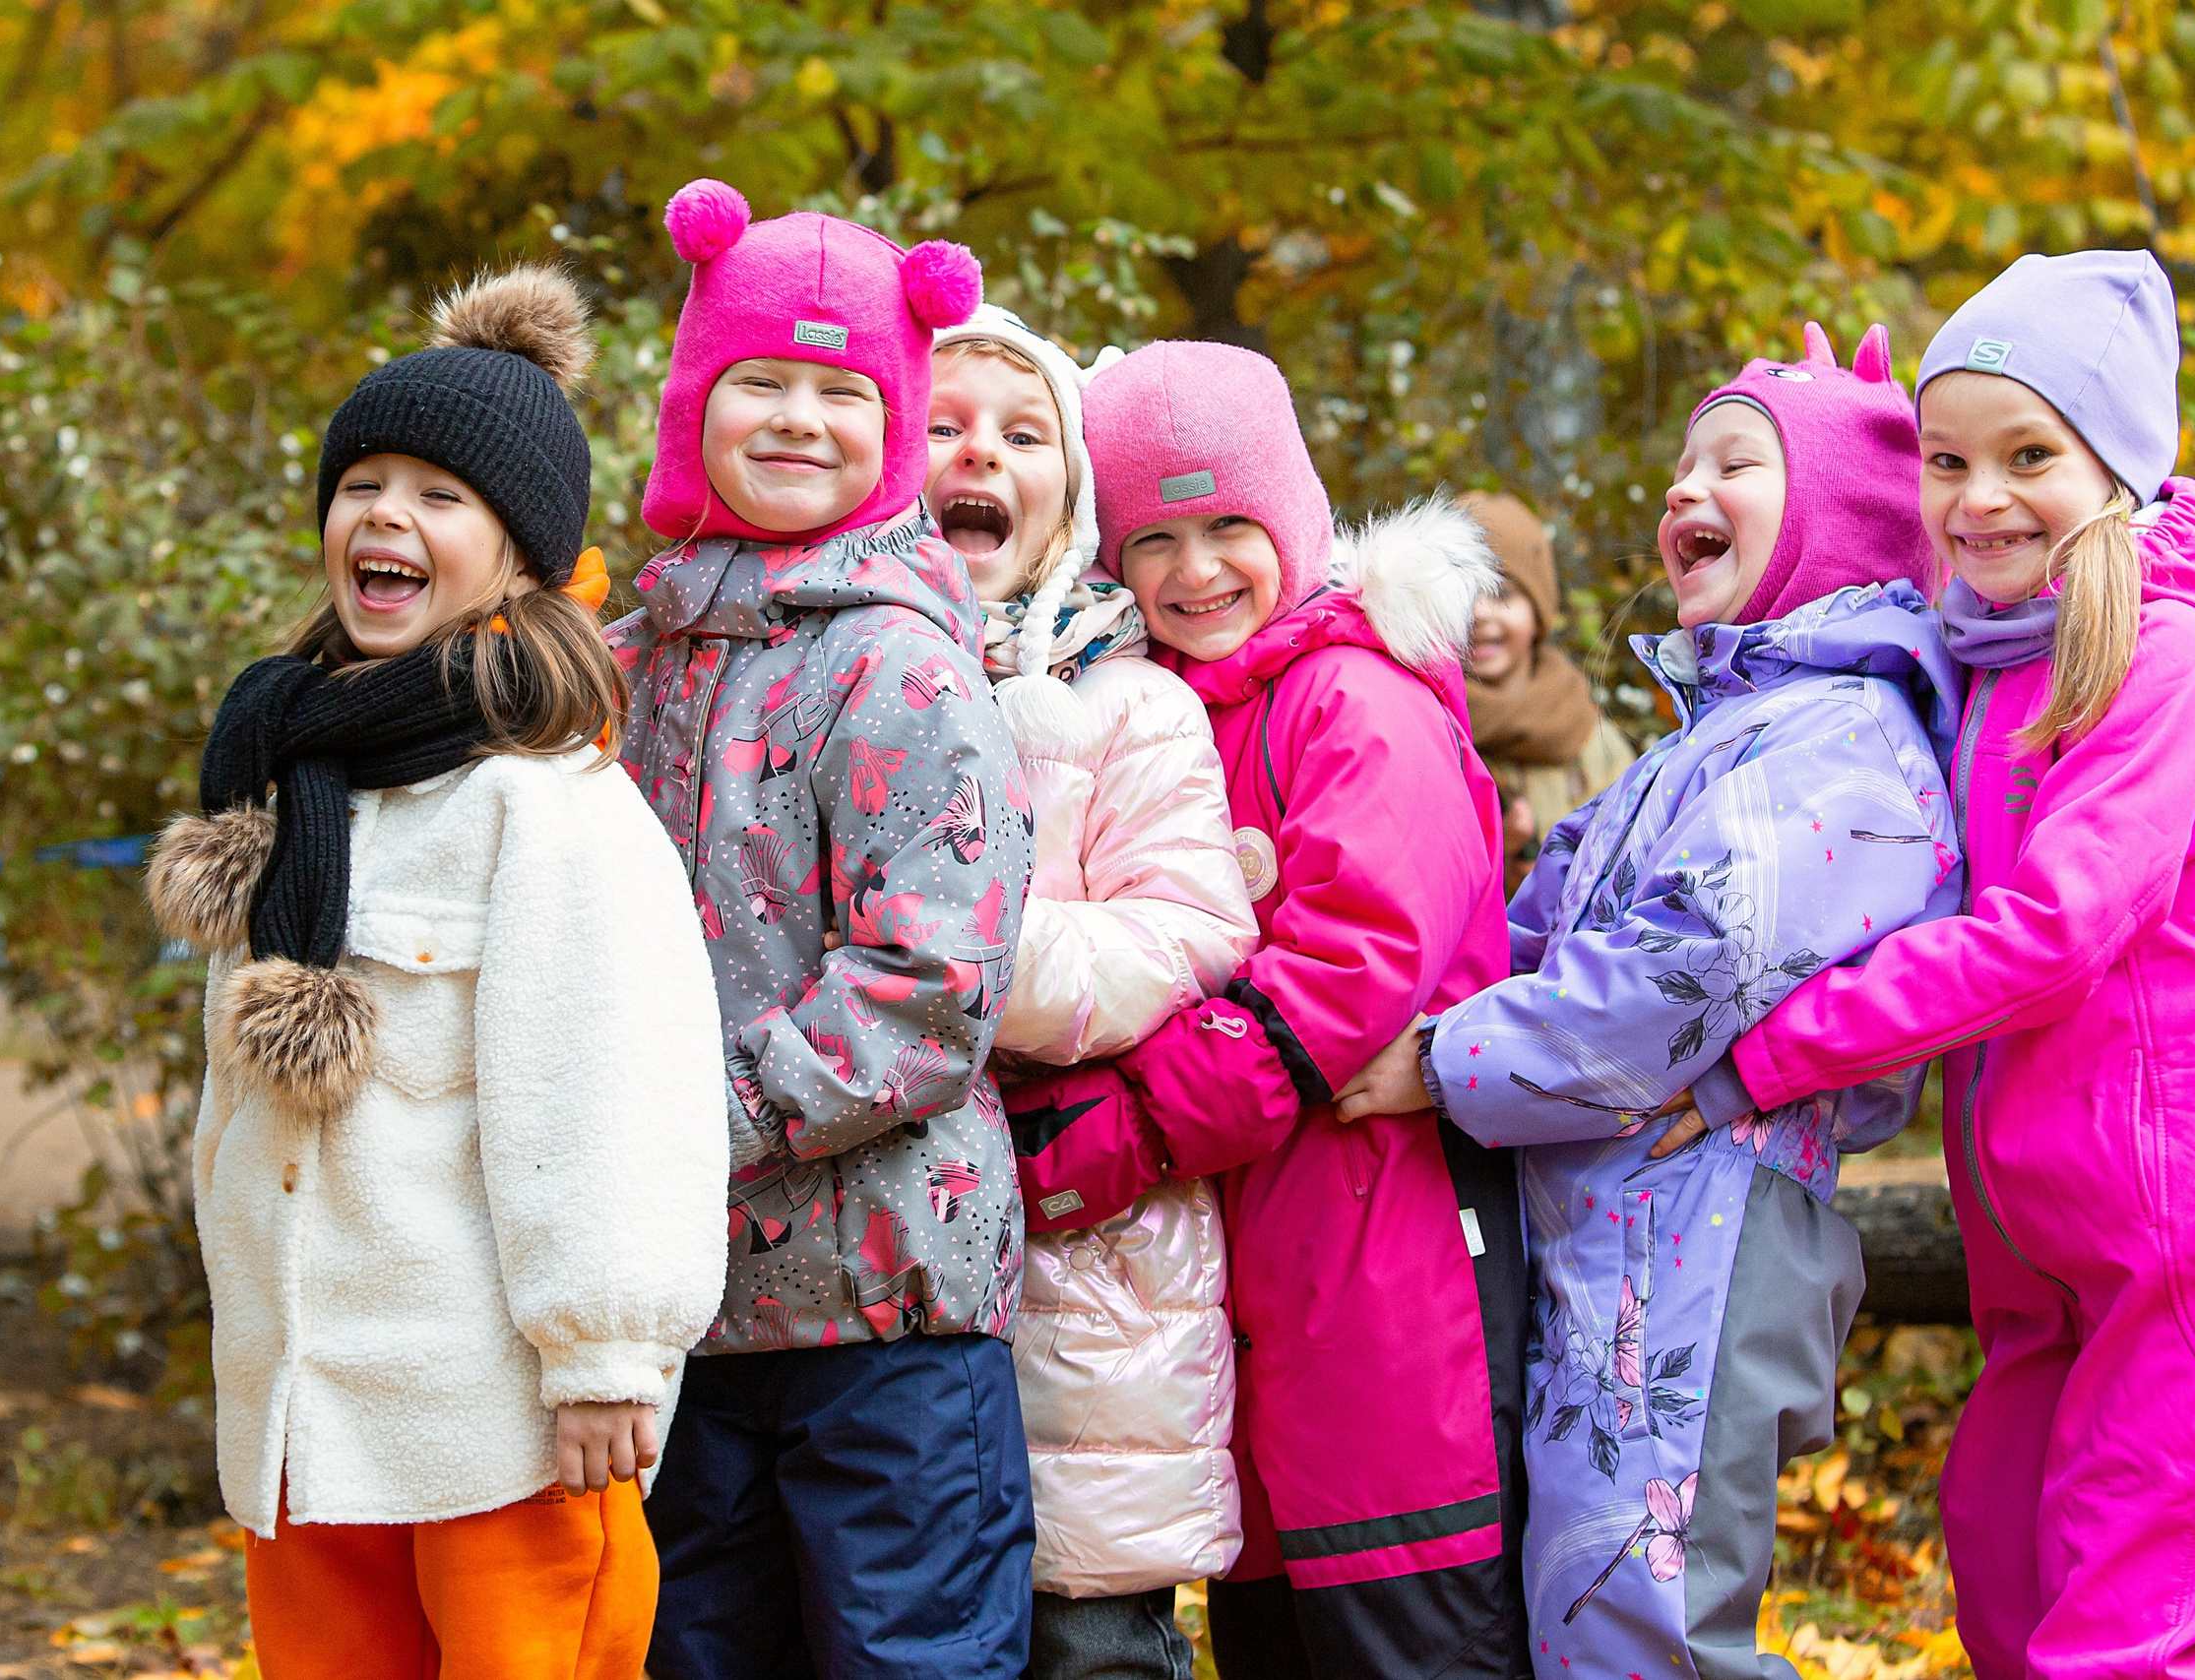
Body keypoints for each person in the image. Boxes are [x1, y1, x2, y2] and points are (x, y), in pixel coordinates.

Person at [1726, 252, 2195, 1679]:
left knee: (2123, 1614)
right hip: (2036, 1229)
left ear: (2116, 466)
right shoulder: (1997, 643)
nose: (1978, 494)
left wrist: (1773, 1044)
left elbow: (2053, 933)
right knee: (2003, 1569)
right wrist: (1847, 454)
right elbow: (1910, 577)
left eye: (2028, 454)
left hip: (2194, 1207)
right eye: (1947, 460)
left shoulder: (2164, 658)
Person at [1340, 323, 1960, 1680]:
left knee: (1648, 1603)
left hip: (1713, 1229)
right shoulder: (1716, 739)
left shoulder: (1841, 736)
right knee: (1591, 1588)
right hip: (1630, 1223)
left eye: (1734, 461)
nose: (1683, 489)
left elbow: (1683, 974)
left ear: (1843, 527)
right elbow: (1545, 923)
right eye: (1682, 463)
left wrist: (1441, 1057)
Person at [147, 267, 728, 1679]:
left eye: (440, 495)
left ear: (523, 556)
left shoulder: (547, 808)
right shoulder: (303, 772)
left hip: (498, 1420)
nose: (387, 516)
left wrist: (606, 1352)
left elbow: (614, 1096)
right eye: (366, 483)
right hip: (315, 1411)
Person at [1006, 341, 1530, 1680]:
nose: (1195, 570)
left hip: (1389, 1300)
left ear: (1293, 515)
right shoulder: (1179, 712)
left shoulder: (1352, 695)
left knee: (1409, 1644)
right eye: (1156, 536)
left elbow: (1350, 964)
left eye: (1230, 524)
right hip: (1257, 1327)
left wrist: (1104, 1137)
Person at [606, 181, 1038, 1680]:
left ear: (899, 420)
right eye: (759, 382)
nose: (799, 416)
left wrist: (676, 1122)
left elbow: (929, 984)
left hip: (888, 1303)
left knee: (907, 1654)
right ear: (690, 403)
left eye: (843, 391)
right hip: (684, 1305)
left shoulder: (900, 666)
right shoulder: (631, 662)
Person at [926, 305, 1257, 1678]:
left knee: (1091, 1635)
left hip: (1099, 1274)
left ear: (1069, 489)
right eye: (942, 426)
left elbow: (1176, 930)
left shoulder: (1134, 705)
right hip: (884, 1250)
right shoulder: (828, 672)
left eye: (1020, 433)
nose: (979, 454)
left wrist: (935, 969)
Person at [1456, 491, 1636, 893]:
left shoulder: (1591, 736)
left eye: (1502, 594)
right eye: (1463, 593)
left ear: (1539, 614)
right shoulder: (1427, 725)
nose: (1480, 612)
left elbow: (1632, 863)